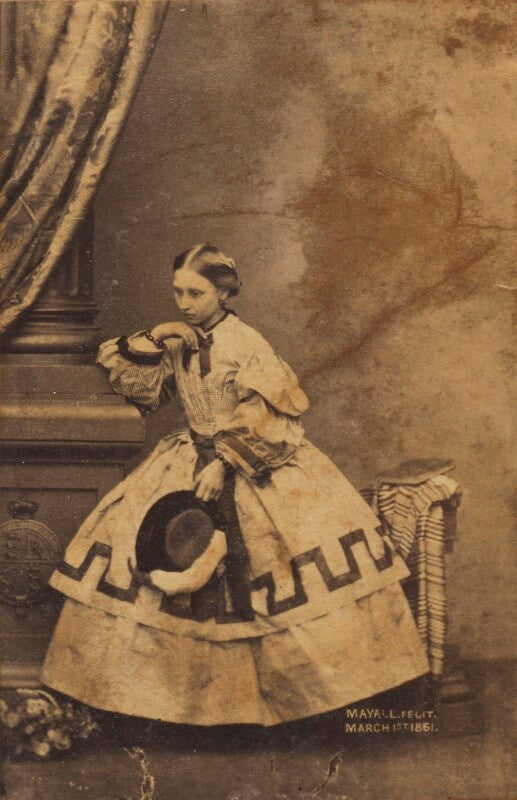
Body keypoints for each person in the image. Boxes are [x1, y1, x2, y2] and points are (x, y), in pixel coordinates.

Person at [42, 244, 429, 727]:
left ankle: (285, 708)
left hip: (248, 464)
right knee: (147, 556)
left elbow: (272, 418)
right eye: (178, 292)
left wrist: (224, 463)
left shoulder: (247, 344)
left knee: (278, 572)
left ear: (224, 293)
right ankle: (180, 708)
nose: (185, 303)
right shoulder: (179, 340)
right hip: (187, 458)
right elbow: (141, 391)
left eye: (197, 293)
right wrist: (159, 335)